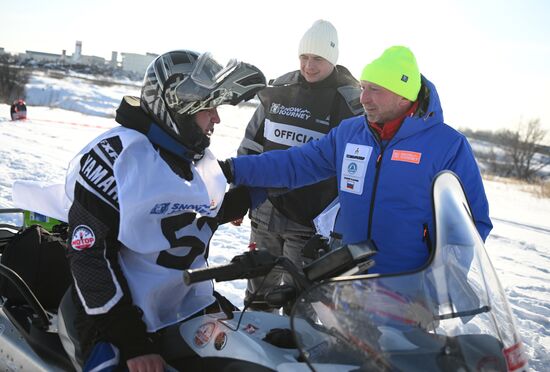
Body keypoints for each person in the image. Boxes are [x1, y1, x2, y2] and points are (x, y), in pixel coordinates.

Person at [63, 50, 266, 371]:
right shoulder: (118, 157)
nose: (216, 118)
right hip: (117, 316)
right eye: (208, 108)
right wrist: (132, 343)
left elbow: (191, 212)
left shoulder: (190, 154)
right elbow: (89, 260)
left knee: (260, 352)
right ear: (179, 108)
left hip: (186, 304)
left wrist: (271, 185)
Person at [220, 46, 493, 276]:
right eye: (363, 88)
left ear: (403, 95)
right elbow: (294, 164)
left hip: (411, 290)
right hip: (349, 283)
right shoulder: (351, 134)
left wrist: (439, 287)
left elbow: (470, 226)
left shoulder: (447, 146)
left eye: (375, 90)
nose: (363, 98)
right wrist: (232, 170)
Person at [234, 19, 363, 311]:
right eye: (304, 57)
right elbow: (252, 144)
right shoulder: (280, 89)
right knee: (259, 291)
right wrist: (239, 191)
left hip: (311, 220)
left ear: (333, 59)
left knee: (302, 300)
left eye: (318, 59)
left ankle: (295, 350)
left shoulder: (351, 102)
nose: (309, 66)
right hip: (265, 208)